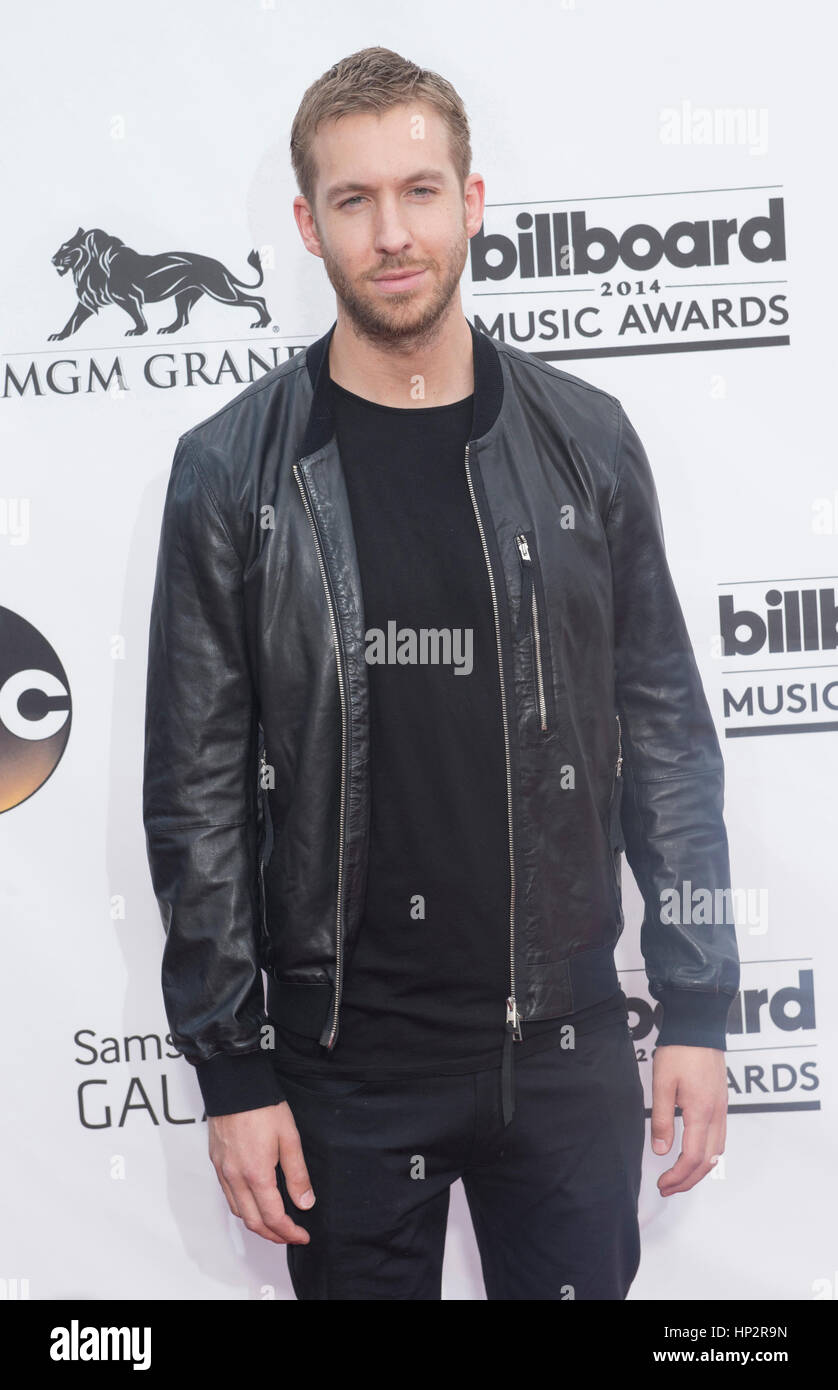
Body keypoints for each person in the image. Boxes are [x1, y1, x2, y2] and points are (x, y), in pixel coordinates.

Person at [142, 46, 740, 1301]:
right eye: (353, 201)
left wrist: (695, 1003)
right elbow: (194, 792)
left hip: (566, 1052)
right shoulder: (229, 471)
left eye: (420, 191)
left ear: (471, 204)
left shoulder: (585, 441)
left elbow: (668, 735)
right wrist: (233, 1069)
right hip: (341, 1071)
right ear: (308, 226)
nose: (392, 231)